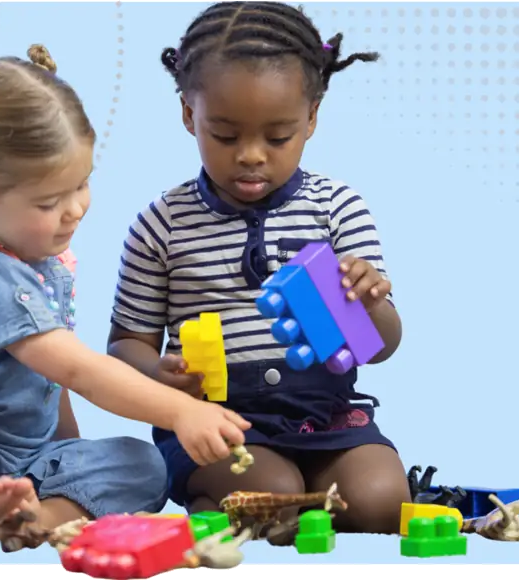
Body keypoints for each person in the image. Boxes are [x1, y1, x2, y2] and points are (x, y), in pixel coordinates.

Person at [0, 44, 250, 548]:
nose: (76, 209)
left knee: (146, 464)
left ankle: (33, 519)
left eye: (82, 184)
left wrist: (73, 464)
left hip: (14, 466)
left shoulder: (42, 262)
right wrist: (180, 410)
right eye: (49, 201)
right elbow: (80, 370)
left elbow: (53, 380)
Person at [108, 1, 411, 539]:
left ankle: (304, 496)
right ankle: (214, 493)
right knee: (273, 498)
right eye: (225, 135)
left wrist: (370, 304)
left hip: (329, 417)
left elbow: (381, 346)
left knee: (384, 505)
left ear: (312, 118)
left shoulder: (337, 208)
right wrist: (163, 377)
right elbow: (126, 345)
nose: (251, 155)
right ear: (188, 114)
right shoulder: (162, 224)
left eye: (278, 137)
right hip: (217, 424)